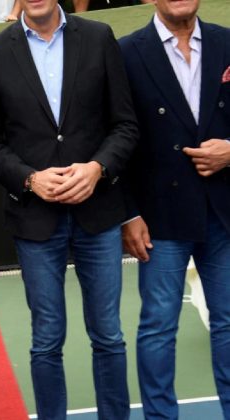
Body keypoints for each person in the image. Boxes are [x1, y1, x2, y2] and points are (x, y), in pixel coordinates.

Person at [0, 0, 139, 417]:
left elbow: (125, 124)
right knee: (46, 340)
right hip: (35, 219)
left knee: (109, 336)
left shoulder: (99, 37)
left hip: (98, 213)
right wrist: (30, 179)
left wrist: (98, 168)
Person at [119, 0, 230, 417]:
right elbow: (118, 138)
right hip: (160, 216)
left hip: (223, 210)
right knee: (159, 329)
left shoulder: (227, 42)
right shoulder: (126, 52)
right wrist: (128, 214)